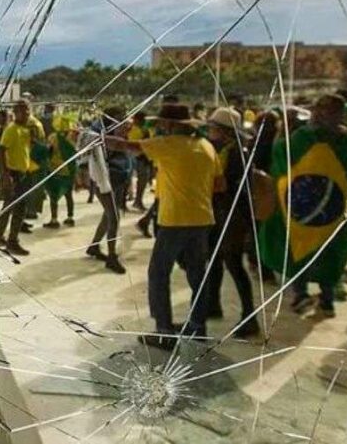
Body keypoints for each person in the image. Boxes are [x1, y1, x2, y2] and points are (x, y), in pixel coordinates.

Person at [106, 103, 224, 349]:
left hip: (174, 220)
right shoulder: (206, 146)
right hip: (202, 219)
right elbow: (219, 185)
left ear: (170, 125)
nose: (159, 126)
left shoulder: (168, 144)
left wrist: (94, 138)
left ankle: (164, 332)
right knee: (197, 274)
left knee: (159, 274)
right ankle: (197, 326)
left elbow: (125, 146)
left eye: (162, 122)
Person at [259, 94, 347, 318]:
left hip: (303, 211)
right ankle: (325, 300)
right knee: (329, 251)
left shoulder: (303, 139)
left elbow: (281, 158)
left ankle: (303, 295)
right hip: (333, 213)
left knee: (300, 250)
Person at [201, 107, 259, 337]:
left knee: (234, 264)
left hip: (233, 216)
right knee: (214, 260)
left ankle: (250, 317)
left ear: (224, 131)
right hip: (221, 213)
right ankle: (213, 305)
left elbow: (231, 187)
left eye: (213, 127)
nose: (209, 131)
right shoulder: (226, 149)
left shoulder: (237, 154)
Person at [77, 109, 128, 274]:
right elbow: (95, 159)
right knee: (114, 217)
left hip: (118, 178)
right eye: (120, 119)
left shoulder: (119, 134)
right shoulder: (100, 137)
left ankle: (94, 246)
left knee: (108, 215)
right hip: (103, 181)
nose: (124, 122)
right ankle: (112, 257)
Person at [0, 101, 38, 259]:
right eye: (23, 111)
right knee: (18, 209)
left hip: (23, 172)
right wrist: (6, 175)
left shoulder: (25, 129)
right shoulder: (11, 129)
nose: (26, 114)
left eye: (28, 111)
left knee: (9, 205)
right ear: (16, 112)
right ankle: (12, 241)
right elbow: (1, 151)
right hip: (13, 174)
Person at [42, 115, 77, 229]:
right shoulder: (72, 138)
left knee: (53, 195)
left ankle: (54, 219)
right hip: (69, 170)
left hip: (56, 170)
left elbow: (48, 151)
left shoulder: (53, 137)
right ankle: (70, 217)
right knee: (69, 195)